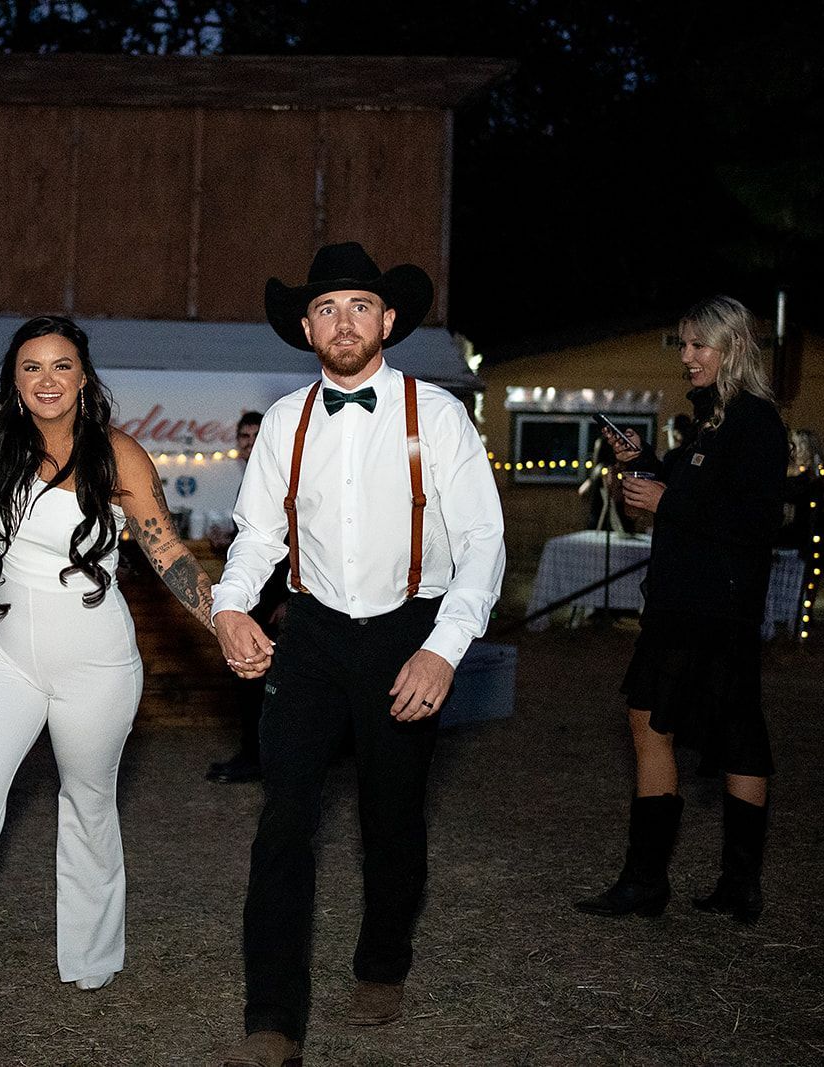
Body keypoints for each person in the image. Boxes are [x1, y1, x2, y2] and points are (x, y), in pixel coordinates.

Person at [0, 273, 217, 1041]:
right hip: (9, 656)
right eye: (31, 367)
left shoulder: (118, 455)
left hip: (99, 665)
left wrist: (226, 622)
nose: (47, 379)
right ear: (14, 381)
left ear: (83, 378)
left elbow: (168, 554)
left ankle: (92, 951)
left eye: (61, 365)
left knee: (88, 801)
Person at [209, 243, 505, 1067]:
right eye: (328, 309)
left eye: (360, 306)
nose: (344, 322)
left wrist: (444, 649)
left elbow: (483, 542)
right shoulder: (284, 422)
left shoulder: (437, 416)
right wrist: (229, 605)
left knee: (392, 812)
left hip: (410, 630)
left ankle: (382, 960)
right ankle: (273, 1019)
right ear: (307, 328)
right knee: (284, 819)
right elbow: (258, 535)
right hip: (310, 634)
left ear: (389, 320)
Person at [574, 295, 787, 928]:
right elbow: (690, 491)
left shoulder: (754, 422)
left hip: (710, 607)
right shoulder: (711, 422)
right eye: (684, 345)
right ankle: (730, 886)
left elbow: (754, 520)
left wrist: (668, 500)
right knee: (729, 733)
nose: (687, 356)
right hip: (692, 602)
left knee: (662, 723)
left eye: (698, 345)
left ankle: (652, 881)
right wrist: (643, 462)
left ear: (734, 348)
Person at [204, 411, 288, 785]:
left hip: (278, 600)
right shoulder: (251, 481)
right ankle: (255, 755)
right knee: (248, 678)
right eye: (244, 437)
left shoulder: (280, 477)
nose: (250, 443)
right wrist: (227, 540)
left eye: (256, 436)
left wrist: (290, 600)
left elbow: (297, 543)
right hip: (254, 598)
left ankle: (260, 759)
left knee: (263, 684)